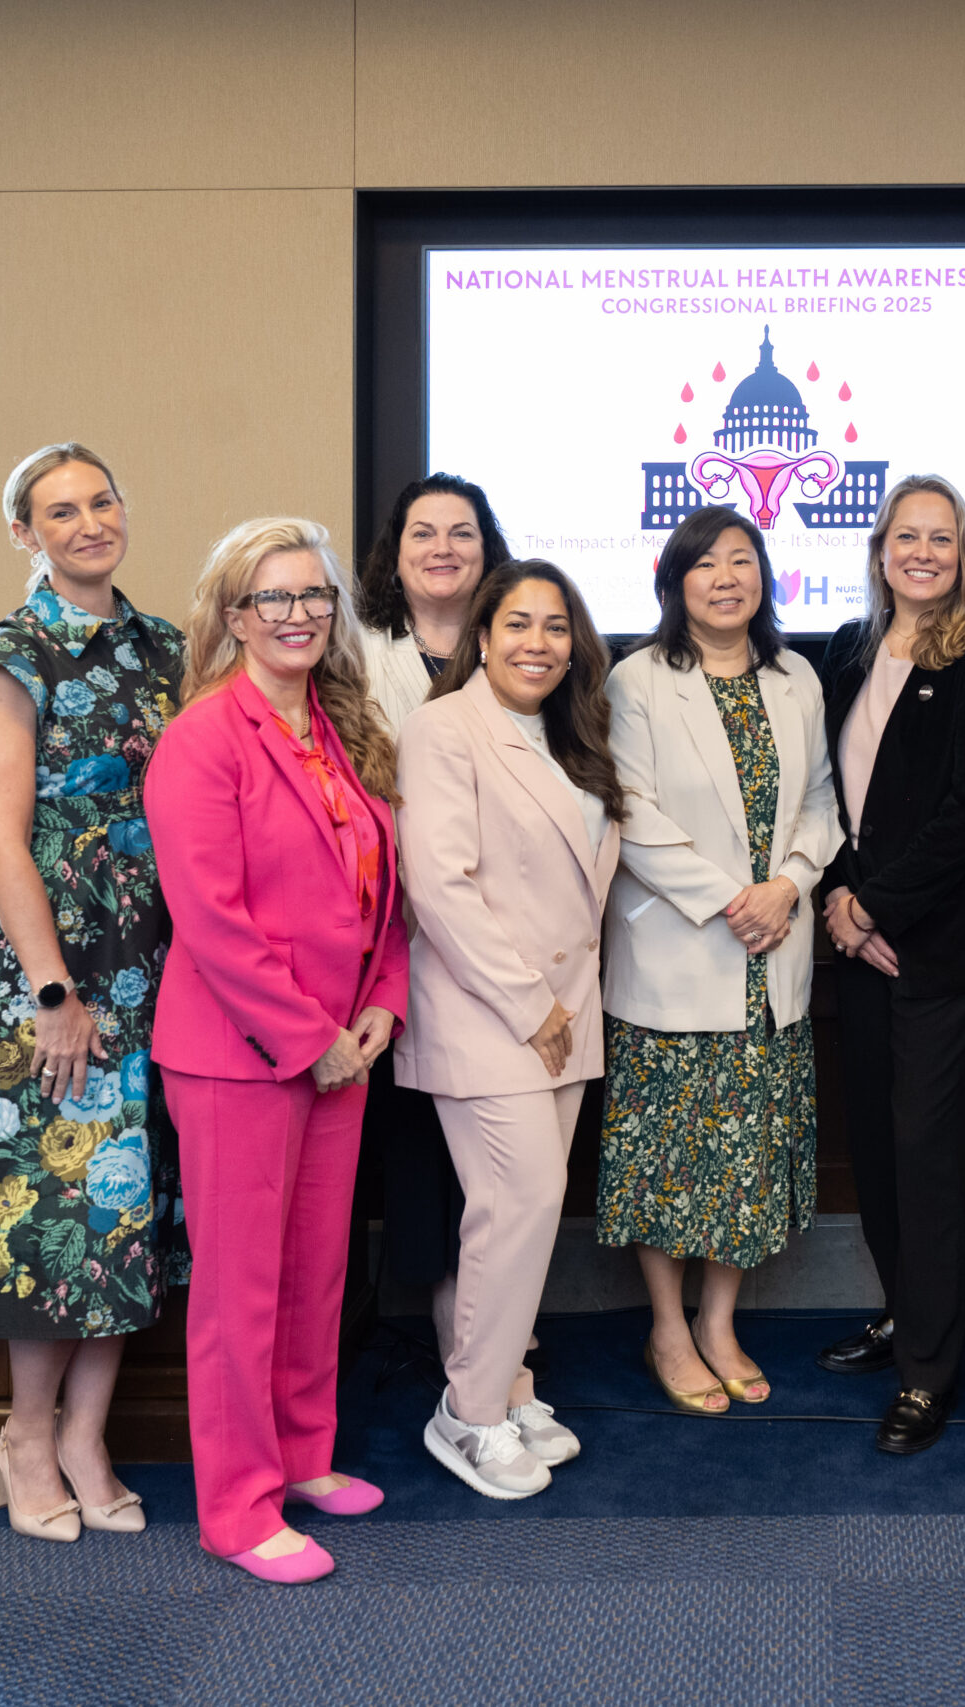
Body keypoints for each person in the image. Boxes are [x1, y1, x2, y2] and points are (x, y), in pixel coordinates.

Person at [0, 441, 185, 1544]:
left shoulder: (168, 648)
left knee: (124, 1215)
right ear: (25, 534)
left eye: (102, 500)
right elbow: (1, 841)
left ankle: (87, 1434)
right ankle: (25, 1437)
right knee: (51, 1215)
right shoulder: (9, 659)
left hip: (156, 973)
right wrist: (53, 994)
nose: (89, 523)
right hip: (51, 981)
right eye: (60, 511)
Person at [146, 517, 409, 1584]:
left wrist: (381, 1003)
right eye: (272, 599)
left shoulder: (341, 728)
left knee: (314, 1278)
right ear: (232, 617)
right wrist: (312, 1041)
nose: (296, 616)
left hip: (343, 1048)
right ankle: (238, 1509)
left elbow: (378, 890)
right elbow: (210, 919)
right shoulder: (203, 737)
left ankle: (301, 1460)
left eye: (313, 597)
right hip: (237, 1059)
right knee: (241, 1291)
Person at [599, 506, 843, 1415]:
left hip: (771, 954)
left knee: (746, 1155)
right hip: (680, 949)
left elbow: (821, 800)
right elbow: (631, 811)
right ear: (674, 581)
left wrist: (787, 883)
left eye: (743, 560)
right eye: (705, 564)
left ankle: (720, 1321)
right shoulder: (637, 681)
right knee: (665, 1156)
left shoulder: (797, 678)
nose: (726, 577)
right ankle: (668, 1326)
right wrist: (727, 898)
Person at [397, 560, 625, 1499]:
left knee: (526, 1214)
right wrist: (534, 1011)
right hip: (491, 1013)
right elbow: (439, 886)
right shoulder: (442, 728)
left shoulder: (574, 734)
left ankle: (506, 1381)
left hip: (566, 1016)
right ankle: (469, 1412)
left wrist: (559, 1014)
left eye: (557, 626)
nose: (539, 641)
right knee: (515, 1205)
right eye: (519, 623)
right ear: (481, 636)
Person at [816, 474, 965, 1455]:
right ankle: (909, 1313)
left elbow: (961, 817)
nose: (923, 553)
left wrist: (876, 906)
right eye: (907, 536)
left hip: (935, 951)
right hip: (856, 950)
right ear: (880, 549)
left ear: (964, 552)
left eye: (941, 539)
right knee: (877, 1153)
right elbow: (832, 801)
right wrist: (838, 906)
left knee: (928, 1159)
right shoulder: (852, 653)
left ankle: (929, 1374)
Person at [349, 473, 513, 1353]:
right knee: (416, 1129)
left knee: (498, 1129)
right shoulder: (354, 649)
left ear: (488, 548)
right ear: (396, 552)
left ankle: (498, 1314)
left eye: (462, 532)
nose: (443, 548)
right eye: (423, 533)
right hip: (393, 930)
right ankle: (450, 1312)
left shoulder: (516, 642)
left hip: (504, 929)